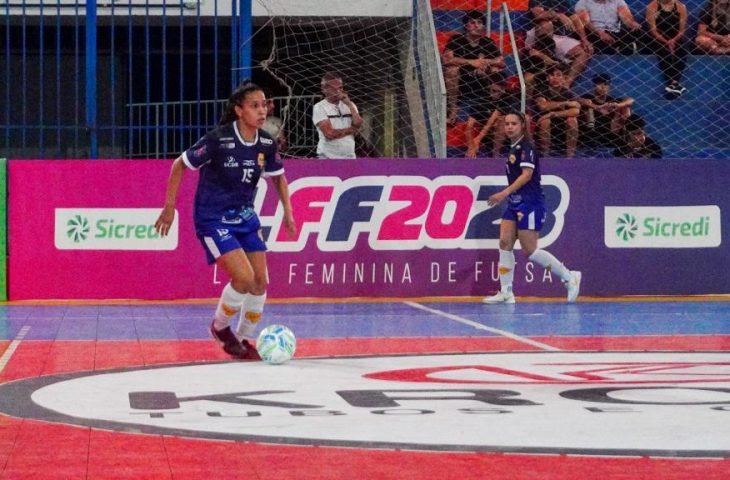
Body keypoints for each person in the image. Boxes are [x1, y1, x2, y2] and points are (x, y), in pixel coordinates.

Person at [155, 82, 297, 359]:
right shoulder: (218, 140)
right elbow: (179, 164)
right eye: (254, 105)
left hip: (244, 216)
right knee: (243, 278)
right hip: (213, 217)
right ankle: (220, 328)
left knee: (260, 282)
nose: (262, 110)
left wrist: (288, 212)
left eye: (264, 104)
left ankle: (242, 340)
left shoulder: (266, 143)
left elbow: (278, 177)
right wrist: (169, 208)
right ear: (239, 110)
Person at [482, 111, 581, 304]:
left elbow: (527, 175)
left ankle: (569, 277)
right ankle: (506, 292)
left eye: (514, 124)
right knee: (504, 243)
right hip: (515, 203)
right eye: (507, 123)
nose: (509, 127)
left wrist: (503, 193)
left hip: (530, 203)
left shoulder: (527, 148)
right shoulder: (513, 148)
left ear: (522, 126)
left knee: (530, 250)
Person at [442, 10, 506, 125]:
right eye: (472, 22)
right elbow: (447, 60)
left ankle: (492, 109)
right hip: (461, 81)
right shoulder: (456, 39)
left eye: (480, 22)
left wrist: (486, 62)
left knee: (496, 70)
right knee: (452, 70)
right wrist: (471, 62)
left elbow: (501, 62)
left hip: (481, 79)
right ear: (466, 26)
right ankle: (453, 109)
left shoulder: (487, 42)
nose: (476, 25)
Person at [525, 0, 592, 86]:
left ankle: (566, 84)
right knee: (546, 24)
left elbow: (575, 18)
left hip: (559, 37)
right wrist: (559, 15)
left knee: (583, 52)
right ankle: (548, 58)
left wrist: (584, 39)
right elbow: (538, 15)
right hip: (538, 34)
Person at [465, 73, 520, 158]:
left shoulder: (508, 97)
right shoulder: (481, 99)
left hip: (507, 132)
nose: (492, 94)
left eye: (496, 91)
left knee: (501, 120)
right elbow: (469, 126)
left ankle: (496, 156)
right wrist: (471, 146)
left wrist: (478, 139)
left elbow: (492, 120)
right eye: (491, 90)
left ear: (504, 89)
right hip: (488, 133)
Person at [533, 64, 581, 157]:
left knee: (572, 120)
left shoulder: (566, 92)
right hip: (541, 122)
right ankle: (545, 155)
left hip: (560, 123)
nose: (555, 78)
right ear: (547, 78)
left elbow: (576, 110)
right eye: (552, 75)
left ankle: (570, 157)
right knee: (545, 121)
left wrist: (552, 114)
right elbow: (543, 106)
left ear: (564, 78)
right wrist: (565, 103)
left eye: (558, 75)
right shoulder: (541, 89)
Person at [312, 72, 362, 159]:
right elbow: (329, 134)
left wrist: (349, 104)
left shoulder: (350, 105)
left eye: (340, 88)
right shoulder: (319, 107)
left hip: (350, 157)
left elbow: (358, 124)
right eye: (334, 89)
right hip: (327, 158)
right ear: (324, 89)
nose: (338, 91)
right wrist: (351, 130)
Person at [646, 0, 690, 97]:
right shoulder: (652, 6)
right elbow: (653, 30)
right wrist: (666, 42)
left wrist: (673, 40)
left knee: (683, 50)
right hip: (658, 37)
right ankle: (674, 83)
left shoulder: (681, 7)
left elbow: (682, 30)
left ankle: (674, 83)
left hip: (675, 37)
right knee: (664, 51)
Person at [578, 73, 633, 148]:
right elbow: (578, 100)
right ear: (594, 86)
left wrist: (618, 105)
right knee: (588, 104)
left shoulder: (614, 101)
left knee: (625, 107)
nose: (603, 87)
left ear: (609, 87)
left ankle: (627, 137)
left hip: (612, 134)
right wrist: (597, 107)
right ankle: (591, 133)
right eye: (599, 84)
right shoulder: (588, 97)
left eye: (606, 84)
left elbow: (630, 100)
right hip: (592, 134)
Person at [575, 0, 645, 54]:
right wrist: (601, 33)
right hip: (594, 32)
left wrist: (632, 24)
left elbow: (626, 16)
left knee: (638, 30)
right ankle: (620, 47)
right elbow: (586, 22)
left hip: (614, 32)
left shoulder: (618, 1)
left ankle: (620, 47)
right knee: (595, 39)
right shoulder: (583, 2)